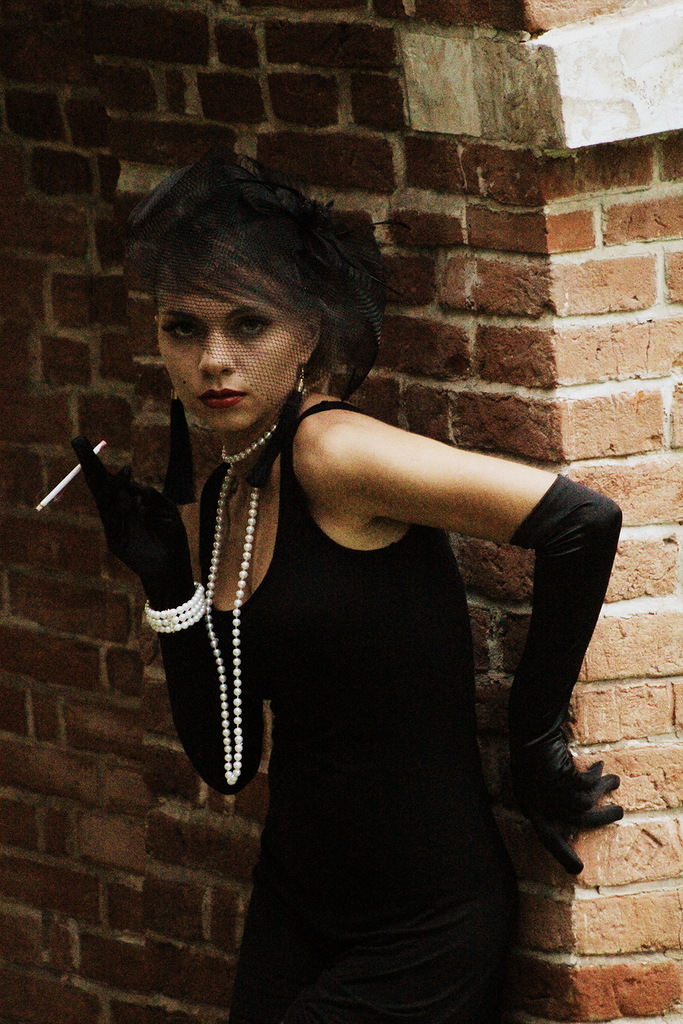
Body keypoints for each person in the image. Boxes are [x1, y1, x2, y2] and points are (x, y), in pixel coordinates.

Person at [72, 151, 623, 1024]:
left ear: (310, 334)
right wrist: (168, 581)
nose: (213, 360)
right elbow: (226, 762)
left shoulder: (333, 452)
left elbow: (582, 522)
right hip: (294, 906)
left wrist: (534, 745)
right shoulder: (228, 491)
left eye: (248, 325)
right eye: (183, 329)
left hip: (423, 926)